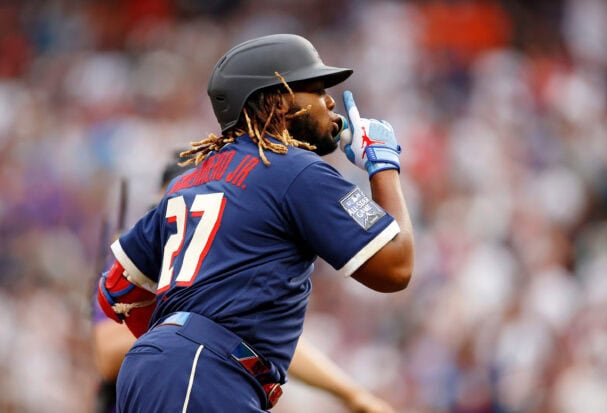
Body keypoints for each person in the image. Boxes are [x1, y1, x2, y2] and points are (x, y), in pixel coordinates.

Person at [97, 33, 414, 412]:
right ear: (278, 101)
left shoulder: (191, 178)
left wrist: (171, 340)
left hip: (178, 371)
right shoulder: (294, 169)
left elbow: (118, 288)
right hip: (202, 373)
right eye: (314, 89)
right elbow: (395, 267)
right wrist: (384, 167)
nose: (330, 101)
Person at [92, 154, 397, 413]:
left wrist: (351, 394)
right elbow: (107, 351)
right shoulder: (151, 260)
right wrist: (187, 331)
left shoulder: (225, 260)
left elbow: (246, 341)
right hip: (170, 383)